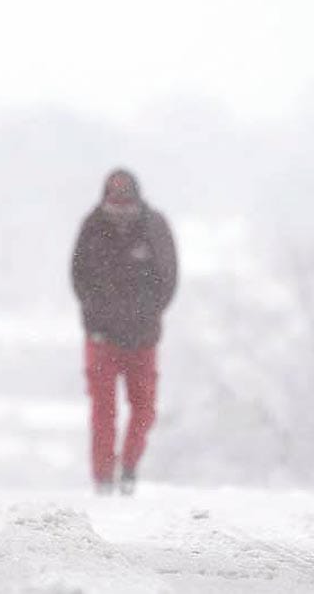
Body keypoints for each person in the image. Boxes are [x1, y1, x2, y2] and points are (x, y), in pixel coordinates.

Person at [71, 169, 176, 495]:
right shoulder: (92, 226)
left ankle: (129, 467)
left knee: (144, 408)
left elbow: (168, 278)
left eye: (125, 203)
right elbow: (79, 277)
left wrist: (147, 315)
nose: (118, 211)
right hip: (101, 338)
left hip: (143, 339)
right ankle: (103, 477)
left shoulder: (155, 227)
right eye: (113, 203)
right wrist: (97, 318)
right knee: (103, 410)